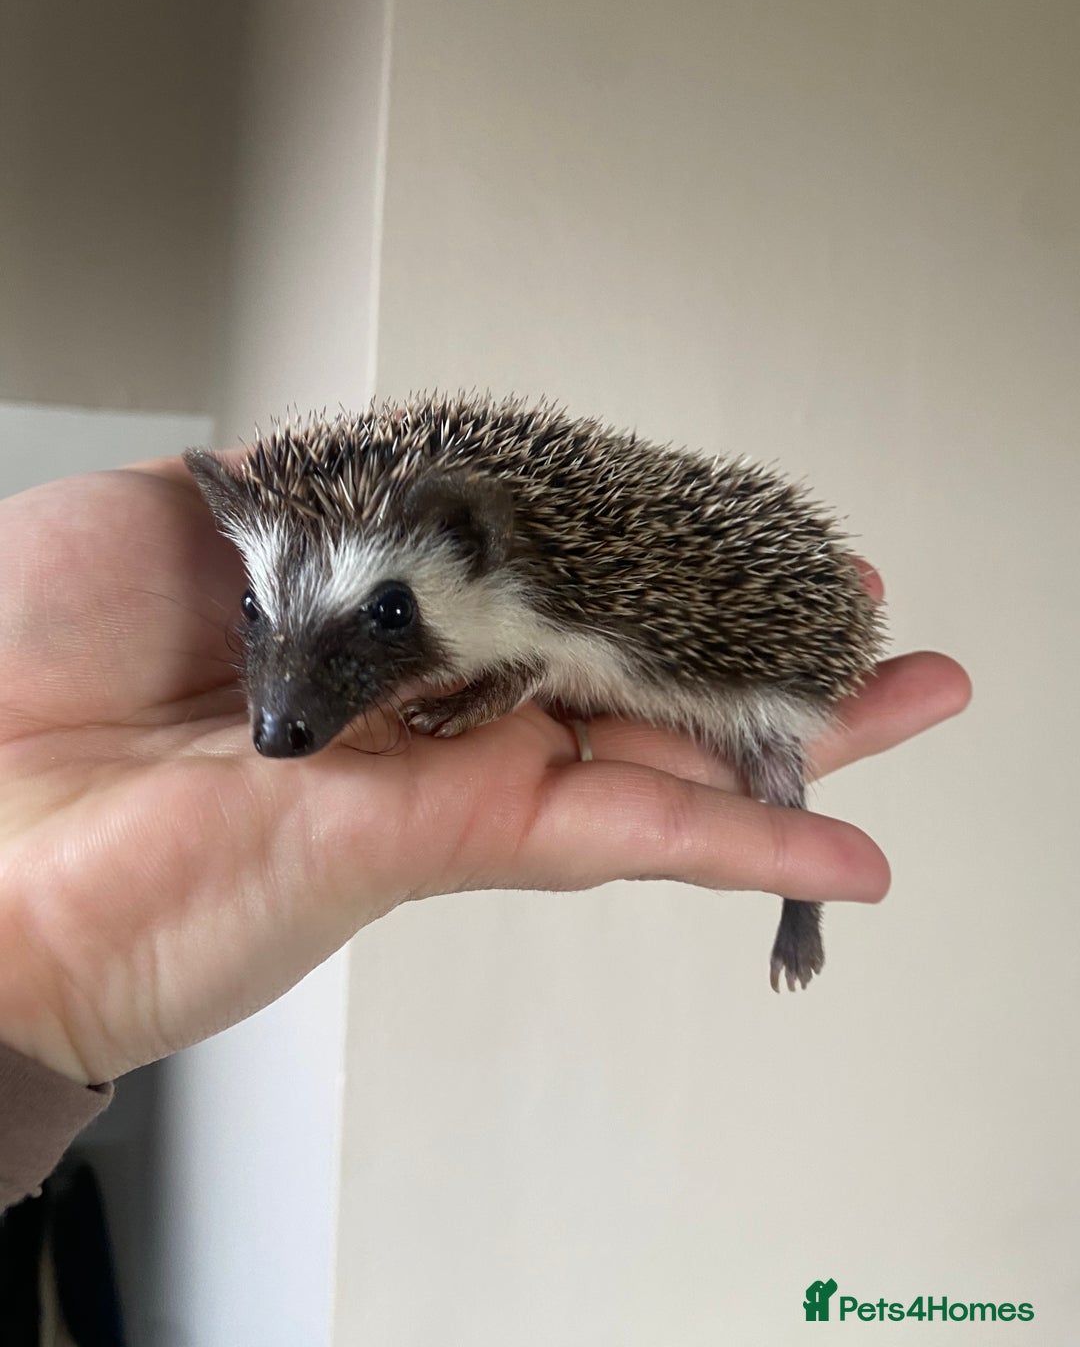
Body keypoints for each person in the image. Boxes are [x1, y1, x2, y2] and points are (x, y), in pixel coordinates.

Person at [0, 455, 971, 1209]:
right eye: (260, 612)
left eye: (382, 614)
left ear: (473, 551)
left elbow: (537, 654)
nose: (281, 710)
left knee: (771, 772)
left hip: (732, 683)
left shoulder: (546, 600)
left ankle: (800, 910)